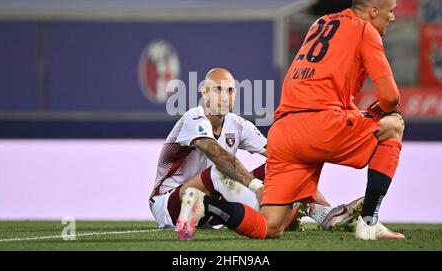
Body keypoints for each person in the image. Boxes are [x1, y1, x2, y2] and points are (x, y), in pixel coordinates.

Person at [177, 0, 406, 241]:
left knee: (270, 226)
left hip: (284, 133)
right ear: (373, 11)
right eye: (391, 11)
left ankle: (205, 204)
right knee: (394, 125)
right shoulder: (366, 31)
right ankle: (369, 222)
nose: (394, 17)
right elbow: (391, 98)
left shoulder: (320, 24)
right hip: (321, 126)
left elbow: (320, 82)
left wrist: (354, 112)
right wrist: (379, 111)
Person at [150, 68, 362, 233]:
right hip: (170, 203)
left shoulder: (238, 124)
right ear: (204, 92)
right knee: (219, 170)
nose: (225, 97)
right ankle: (270, 211)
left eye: (230, 90)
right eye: (218, 89)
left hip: (212, 203)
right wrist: (256, 185)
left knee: (287, 163)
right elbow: (215, 152)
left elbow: (280, 157)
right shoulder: (193, 117)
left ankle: (325, 214)